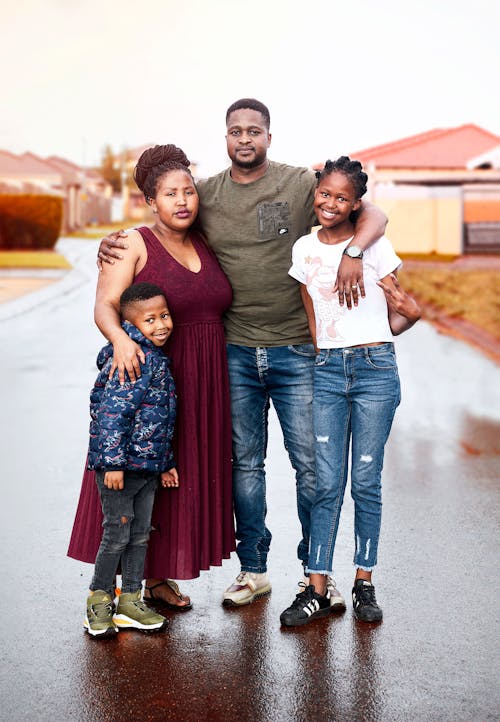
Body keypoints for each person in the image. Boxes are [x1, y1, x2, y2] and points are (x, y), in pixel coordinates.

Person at [98, 99, 388, 607]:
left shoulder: (301, 182)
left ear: (269, 137)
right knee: (245, 466)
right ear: (225, 139)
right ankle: (253, 569)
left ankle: (314, 572)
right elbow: (166, 221)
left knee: (311, 467)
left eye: (255, 130)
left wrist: (355, 251)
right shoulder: (205, 194)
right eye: (236, 131)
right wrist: (115, 241)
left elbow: (374, 210)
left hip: (297, 349)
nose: (246, 139)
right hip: (235, 351)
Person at [69, 145, 235, 608]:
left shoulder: (204, 238)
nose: (182, 201)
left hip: (203, 381)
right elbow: (106, 304)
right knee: (140, 474)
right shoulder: (133, 242)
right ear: (150, 201)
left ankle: (159, 575)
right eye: (169, 194)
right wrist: (121, 341)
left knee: (178, 477)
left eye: (188, 191)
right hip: (149, 382)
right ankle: (118, 590)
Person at [279, 157, 421, 627]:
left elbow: (401, 312)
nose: (330, 203)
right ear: (315, 192)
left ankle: (364, 583)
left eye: (342, 198)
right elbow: (312, 316)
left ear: (355, 204)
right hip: (327, 372)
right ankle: (316, 588)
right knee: (325, 483)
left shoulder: (374, 246)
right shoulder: (303, 250)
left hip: (375, 371)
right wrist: (325, 355)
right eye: (325, 194)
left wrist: (396, 327)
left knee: (365, 481)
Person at [84, 282, 177, 637]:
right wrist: (112, 465)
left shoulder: (154, 357)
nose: (161, 325)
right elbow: (112, 414)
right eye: (150, 320)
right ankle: (98, 601)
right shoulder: (132, 357)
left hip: (147, 469)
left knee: (139, 536)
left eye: (164, 316)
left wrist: (164, 462)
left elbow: (160, 419)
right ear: (132, 325)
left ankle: (130, 602)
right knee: (116, 536)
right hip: (120, 470)